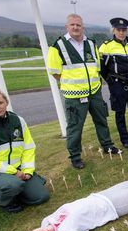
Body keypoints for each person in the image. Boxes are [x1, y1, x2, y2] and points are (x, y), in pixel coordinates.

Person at [46, 14, 120, 169]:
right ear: (67, 26)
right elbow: (55, 72)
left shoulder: (91, 44)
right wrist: (74, 84)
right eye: (72, 25)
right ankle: (75, 156)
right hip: (75, 95)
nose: (75, 27)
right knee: (75, 127)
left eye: (78, 25)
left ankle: (107, 145)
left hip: (94, 92)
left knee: (101, 120)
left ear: (83, 26)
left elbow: (97, 67)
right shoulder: (57, 46)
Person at [0, 88, 49, 213]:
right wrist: (13, 172)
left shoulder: (18, 120)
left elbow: (29, 147)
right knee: (12, 185)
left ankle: (18, 190)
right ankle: (4, 201)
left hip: (18, 170)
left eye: (0, 103)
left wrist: (28, 171)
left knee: (42, 197)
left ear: (6, 103)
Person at [98, 17, 128, 149]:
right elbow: (102, 68)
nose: (122, 32)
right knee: (120, 112)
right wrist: (111, 81)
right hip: (117, 83)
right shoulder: (106, 46)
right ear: (113, 30)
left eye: (124, 30)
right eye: (119, 30)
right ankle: (125, 139)